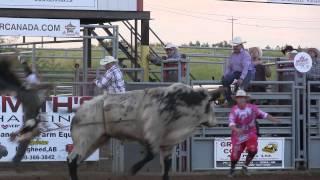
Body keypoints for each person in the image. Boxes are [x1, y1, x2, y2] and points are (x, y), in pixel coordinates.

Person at [228, 89, 279, 177]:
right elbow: (231, 123)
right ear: (236, 99)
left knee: (253, 150)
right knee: (235, 155)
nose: (240, 99)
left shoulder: (253, 108)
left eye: (242, 97)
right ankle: (232, 169)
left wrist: (273, 119)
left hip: (250, 133)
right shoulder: (234, 110)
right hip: (238, 135)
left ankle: (245, 167)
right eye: (238, 98)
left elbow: (264, 114)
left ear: (245, 99)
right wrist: (236, 129)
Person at [222, 37, 254, 106]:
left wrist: (241, 78)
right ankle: (230, 99)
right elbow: (229, 67)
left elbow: (246, 68)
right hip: (236, 72)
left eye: (236, 46)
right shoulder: (232, 55)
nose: (235, 47)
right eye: (234, 46)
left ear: (241, 46)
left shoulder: (245, 55)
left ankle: (237, 102)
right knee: (225, 80)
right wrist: (225, 75)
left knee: (241, 87)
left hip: (247, 72)